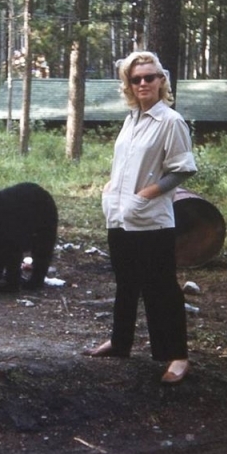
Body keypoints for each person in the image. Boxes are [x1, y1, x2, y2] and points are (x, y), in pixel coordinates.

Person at [83, 51, 197, 385]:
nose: (144, 83)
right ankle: (120, 343)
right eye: (137, 79)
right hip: (120, 215)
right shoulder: (132, 118)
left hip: (150, 220)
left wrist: (146, 194)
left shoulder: (170, 121)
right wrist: (112, 189)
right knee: (126, 283)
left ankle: (177, 356)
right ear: (129, 85)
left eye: (150, 77)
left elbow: (182, 169)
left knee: (161, 288)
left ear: (162, 81)